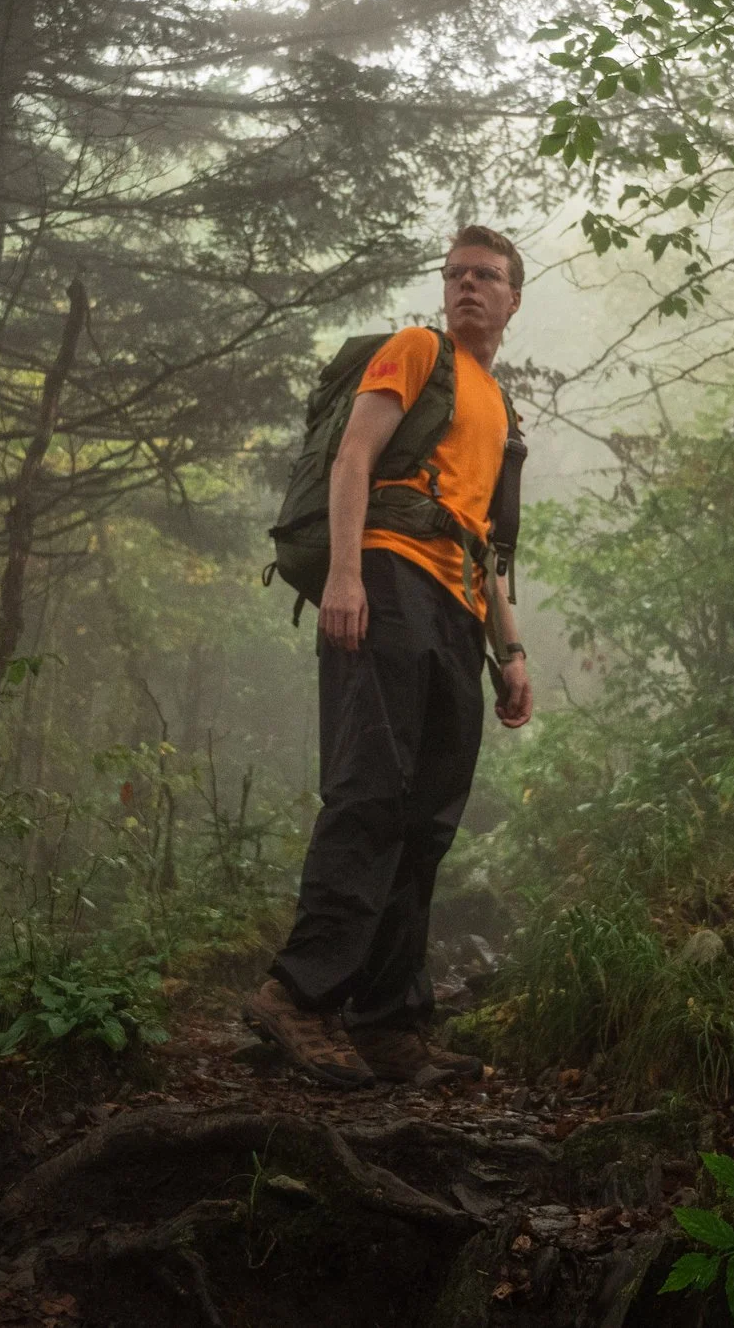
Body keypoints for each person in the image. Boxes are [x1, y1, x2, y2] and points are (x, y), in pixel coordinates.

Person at [241, 226, 536, 1088]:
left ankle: (390, 1023)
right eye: (456, 274)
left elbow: (487, 549)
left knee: (429, 816)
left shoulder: (502, 412)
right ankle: (298, 995)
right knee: (373, 787)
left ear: (515, 298)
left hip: (456, 605)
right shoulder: (417, 350)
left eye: (487, 276)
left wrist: (509, 652)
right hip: (385, 575)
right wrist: (342, 574)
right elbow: (354, 457)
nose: (468, 286)